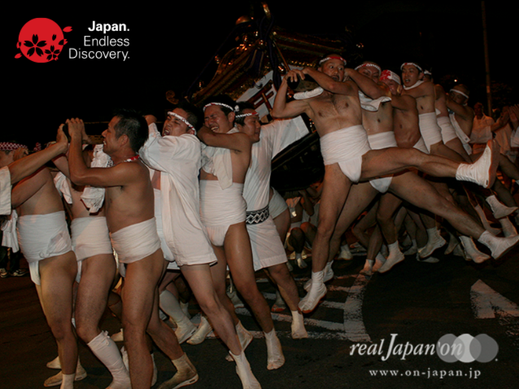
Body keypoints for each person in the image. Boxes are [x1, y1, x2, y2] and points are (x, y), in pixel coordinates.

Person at [271, 54, 509, 313]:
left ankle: (489, 235)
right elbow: (279, 111)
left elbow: (346, 86)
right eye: (333, 67)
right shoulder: (314, 100)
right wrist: (287, 81)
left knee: (435, 194)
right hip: (346, 170)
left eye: (342, 68)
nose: (339, 71)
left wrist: (318, 71)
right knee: (330, 227)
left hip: (376, 161)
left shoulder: (363, 90)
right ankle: (319, 278)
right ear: (322, 69)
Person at [66, 110, 197, 389]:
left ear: (124, 139)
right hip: (134, 257)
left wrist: (76, 140)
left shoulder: (129, 169)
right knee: (150, 324)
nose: (104, 135)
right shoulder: (119, 166)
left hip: (143, 260)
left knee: (133, 332)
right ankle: (185, 368)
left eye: (109, 131)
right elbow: (82, 173)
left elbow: (78, 174)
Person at [139, 102, 261, 388]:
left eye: (176, 120)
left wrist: (148, 120)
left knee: (209, 303)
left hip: (185, 233)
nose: (168, 123)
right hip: (156, 235)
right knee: (142, 303)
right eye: (167, 118)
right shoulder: (161, 145)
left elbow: (149, 149)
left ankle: (243, 365)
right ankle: (165, 357)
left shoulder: (187, 145)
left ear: (190, 130)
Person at [197, 95, 285, 372]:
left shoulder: (241, 139)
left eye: (215, 116)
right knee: (215, 293)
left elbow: (208, 139)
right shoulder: (204, 142)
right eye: (207, 117)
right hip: (206, 223)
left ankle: (272, 338)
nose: (210, 122)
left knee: (247, 287)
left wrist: (197, 128)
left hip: (232, 222)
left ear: (231, 117)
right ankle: (241, 333)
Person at [53, 142, 131, 389]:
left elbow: (64, 164)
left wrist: (68, 141)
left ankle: (123, 377)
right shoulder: (71, 177)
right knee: (77, 320)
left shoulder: (95, 176)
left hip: (99, 254)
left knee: (86, 326)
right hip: (78, 253)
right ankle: (130, 344)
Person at [9, 136, 79, 389]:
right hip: (39, 260)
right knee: (60, 323)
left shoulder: (37, 173)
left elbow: (10, 200)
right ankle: (73, 366)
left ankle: (69, 382)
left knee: (61, 326)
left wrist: (15, 169)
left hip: (55, 257)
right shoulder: (26, 175)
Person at [1, 136, 68, 216]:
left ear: (14, 153)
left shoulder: (38, 171)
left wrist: (19, 163)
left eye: (0, 158)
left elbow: (12, 200)